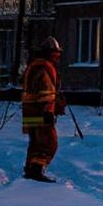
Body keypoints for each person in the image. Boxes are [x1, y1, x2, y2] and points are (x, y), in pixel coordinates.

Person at [22, 36, 66, 183]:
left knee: (36, 143)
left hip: (31, 111)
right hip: (41, 112)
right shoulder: (45, 67)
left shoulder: (35, 65)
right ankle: (36, 170)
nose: (58, 56)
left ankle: (31, 169)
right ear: (50, 53)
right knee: (48, 143)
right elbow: (46, 92)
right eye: (56, 53)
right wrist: (48, 111)